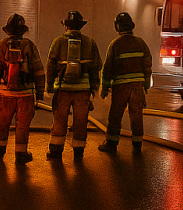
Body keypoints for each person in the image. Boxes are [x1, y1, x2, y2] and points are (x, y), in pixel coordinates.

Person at [0, 13, 46, 164]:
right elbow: (38, 70)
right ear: (22, 30)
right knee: (22, 126)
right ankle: (21, 155)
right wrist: (39, 93)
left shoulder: (0, 45)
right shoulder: (29, 45)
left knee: (2, 124)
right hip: (25, 95)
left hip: (5, 95)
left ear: (8, 30)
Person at [45, 10, 101, 161]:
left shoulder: (58, 41)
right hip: (83, 91)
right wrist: (94, 88)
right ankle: (78, 153)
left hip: (63, 89)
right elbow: (96, 66)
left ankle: (56, 152)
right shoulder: (90, 42)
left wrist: (49, 85)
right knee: (81, 122)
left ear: (66, 26)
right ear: (80, 26)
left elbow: (50, 65)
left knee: (59, 120)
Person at [98, 12, 152, 154]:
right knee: (137, 116)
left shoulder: (115, 44)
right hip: (137, 88)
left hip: (121, 88)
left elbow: (107, 68)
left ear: (117, 27)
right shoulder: (141, 43)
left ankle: (111, 144)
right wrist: (145, 85)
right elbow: (147, 65)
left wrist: (105, 87)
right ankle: (137, 145)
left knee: (115, 116)